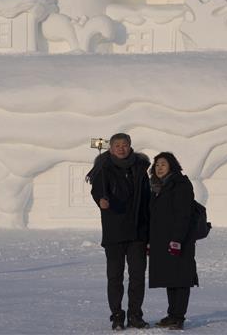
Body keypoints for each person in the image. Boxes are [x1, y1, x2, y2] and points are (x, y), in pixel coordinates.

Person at [86, 133, 152, 330]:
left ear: (130, 146)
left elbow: (147, 197)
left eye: (125, 145)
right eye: (117, 145)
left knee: (137, 276)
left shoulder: (140, 167)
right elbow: (97, 189)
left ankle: (135, 315)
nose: (121, 148)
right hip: (114, 231)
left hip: (138, 231)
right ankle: (116, 315)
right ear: (111, 148)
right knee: (115, 276)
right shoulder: (103, 167)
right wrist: (101, 200)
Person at [148, 152, 198, 330]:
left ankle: (178, 317)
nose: (159, 168)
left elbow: (184, 214)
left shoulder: (180, 184)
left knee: (181, 279)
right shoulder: (157, 186)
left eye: (163, 164)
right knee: (170, 278)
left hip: (179, 239)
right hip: (163, 240)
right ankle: (172, 314)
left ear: (172, 166)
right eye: (157, 165)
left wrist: (177, 240)